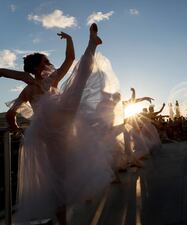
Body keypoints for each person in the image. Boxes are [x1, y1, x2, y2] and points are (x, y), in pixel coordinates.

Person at [6, 24, 116, 225]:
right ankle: (63, 221)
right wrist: (14, 127)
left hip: (61, 123)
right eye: (46, 61)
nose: (50, 63)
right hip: (51, 135)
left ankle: (92, 44)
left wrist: (70, 39)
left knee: (78, 82)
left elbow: (70, 60)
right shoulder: (29, 86)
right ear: (39, 66)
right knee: (58, 180)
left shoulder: (52, 80)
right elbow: (11, 111)